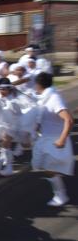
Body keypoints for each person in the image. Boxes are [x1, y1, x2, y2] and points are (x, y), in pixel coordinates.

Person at [32, 73, 74, 206]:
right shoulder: (45, 98)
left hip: (54, 140)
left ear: (39, 84)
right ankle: (57, 184)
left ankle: (61, 195)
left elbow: (69, 119)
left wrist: (62, 139)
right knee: (43, 166)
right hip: (45, 138)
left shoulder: (54, 98)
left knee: (49, 168)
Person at [0, 78, 23, 176]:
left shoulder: (14, 101)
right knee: (4, 144)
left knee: (6, 142)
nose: (2, 91)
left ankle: (9, 167)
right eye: (0, 89)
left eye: (4, 89)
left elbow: (18, 115)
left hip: (13, 125)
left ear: (9, 89)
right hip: (2, 124)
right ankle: (2, 161)